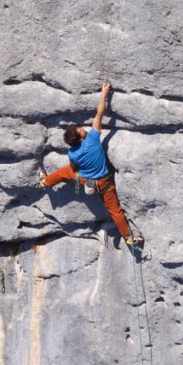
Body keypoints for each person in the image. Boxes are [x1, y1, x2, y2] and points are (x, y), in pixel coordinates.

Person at [39, 82, 141, 248]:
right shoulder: (93, 138)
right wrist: (104, 93)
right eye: (80, 130)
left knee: (66, 172)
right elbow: (100, 112)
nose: (82, 129)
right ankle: (129, 238)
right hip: (105, 183)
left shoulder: (72, 153)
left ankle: (45, 182)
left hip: (84, 179)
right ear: (80, 138)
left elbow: (72, 169)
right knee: (115, 211)